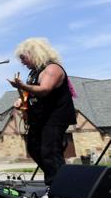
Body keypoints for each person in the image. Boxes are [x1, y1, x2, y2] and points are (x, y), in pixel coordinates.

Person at [8, 37, 77, 186]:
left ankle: (58, 186)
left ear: (35, 54)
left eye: (24, 58)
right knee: (33, 147)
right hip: (40, 118)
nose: (22, 62)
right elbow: (32, 95)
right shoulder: (33, 73)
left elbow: (44, 90)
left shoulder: (52, 69)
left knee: (50, 153)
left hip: (55, 117)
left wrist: (22, 86)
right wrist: (22, 100)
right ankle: (59, 181)